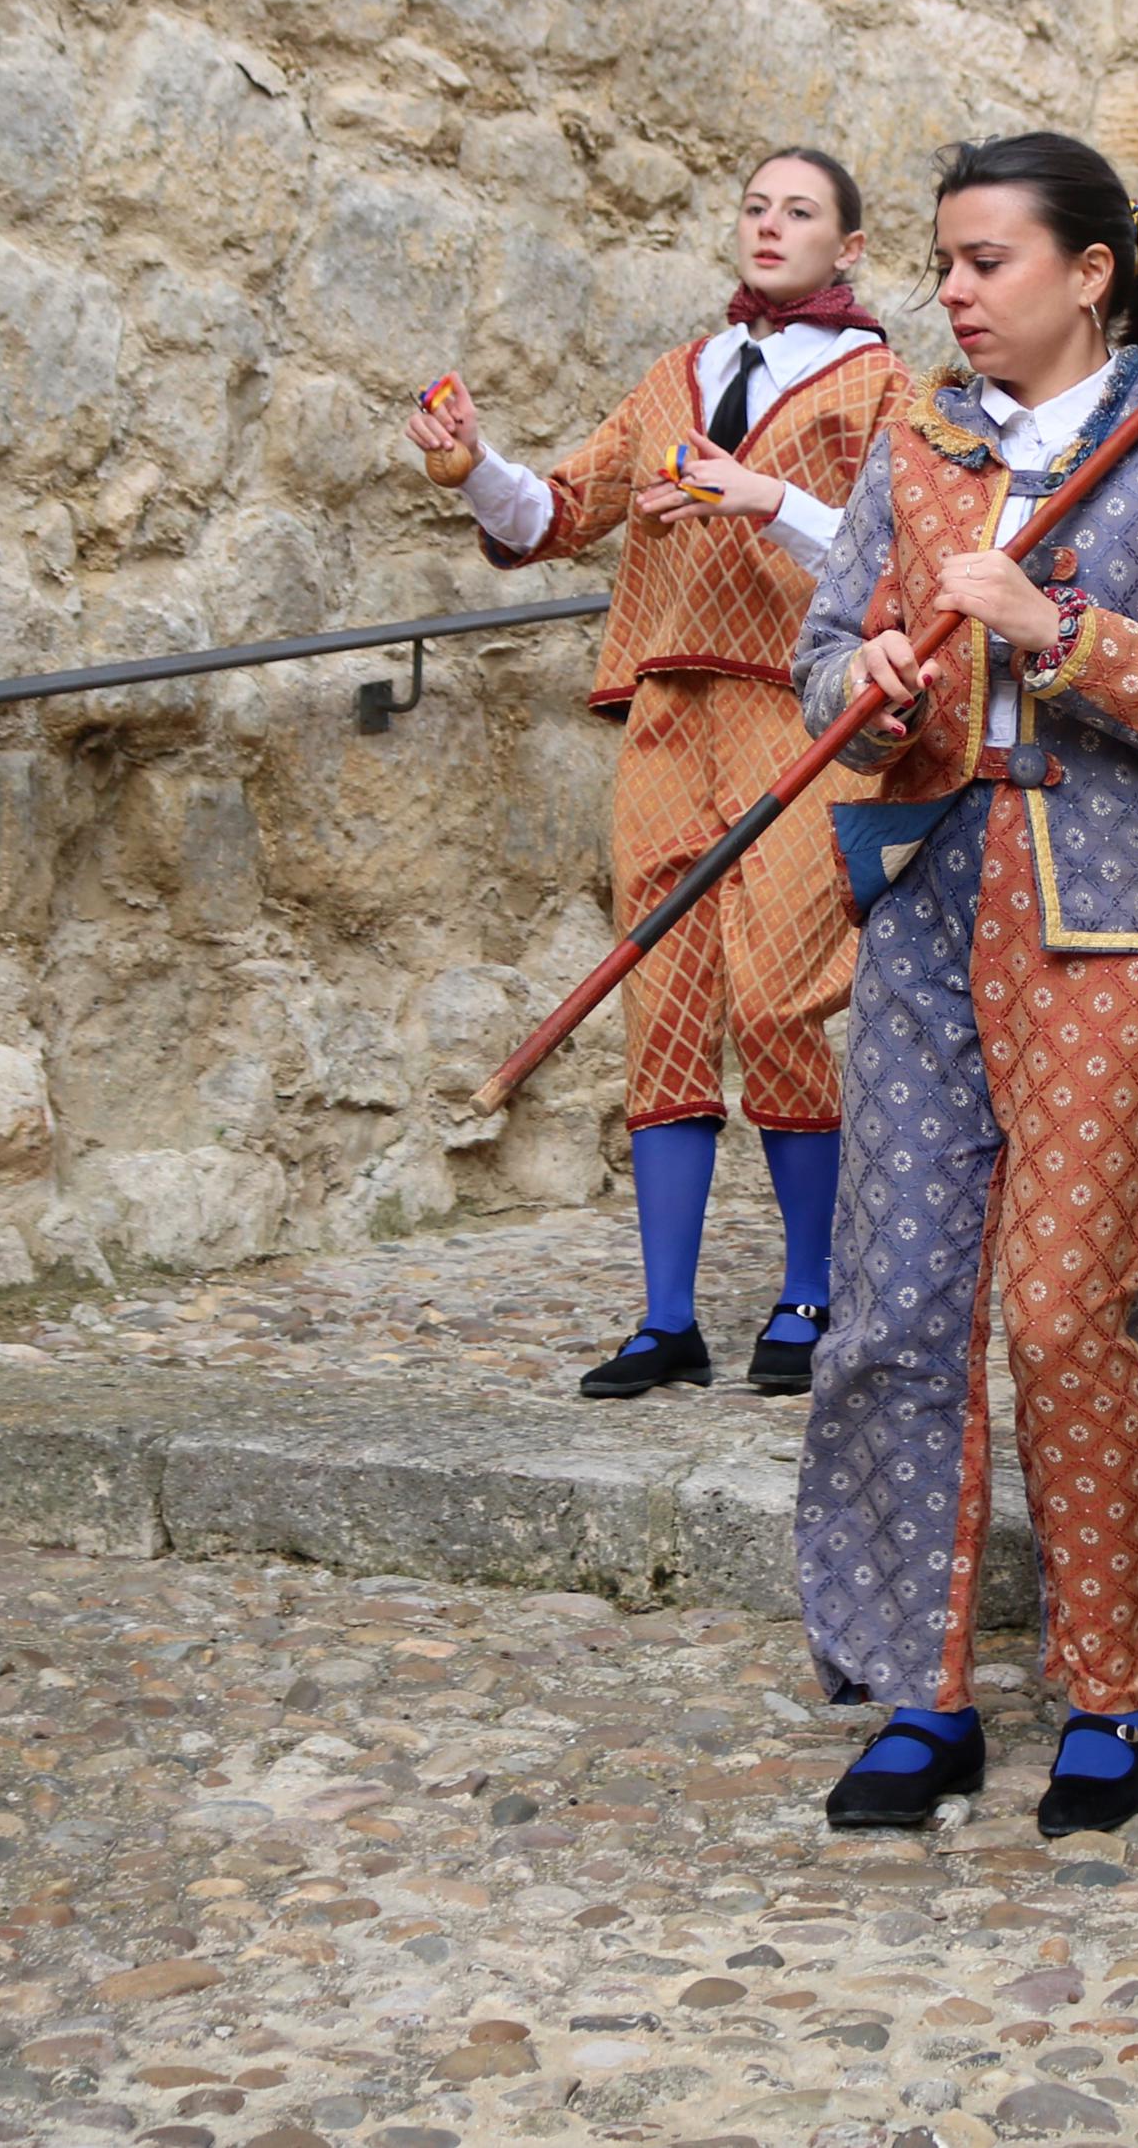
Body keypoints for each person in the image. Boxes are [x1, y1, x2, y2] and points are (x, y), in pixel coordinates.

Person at [790, 131, 1138, 1838]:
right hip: (929, 895)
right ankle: (914, 1689)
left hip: (1117, 918)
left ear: (1089, 273)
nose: (951, 291)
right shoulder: (915, 450)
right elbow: (818, 656)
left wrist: (1055, 637)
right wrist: (858, 670)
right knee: (897, 1301)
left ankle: (1109, 1684)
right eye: (939, 261)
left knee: (1065, 1307)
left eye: (986, 260)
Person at [409, 150, 912, 1400]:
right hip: (666, 715)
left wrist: (767, 498)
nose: (769, 226)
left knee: (783, 997)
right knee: (666, 996)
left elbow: (906, 546)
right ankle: (666, 1316)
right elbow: (556, 511)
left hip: (796, 715)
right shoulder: (672, 376)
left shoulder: (886, 385)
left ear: (847, 247)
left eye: (799, 212)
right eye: (755, 207)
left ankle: (810, 1291)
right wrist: (470, 462)